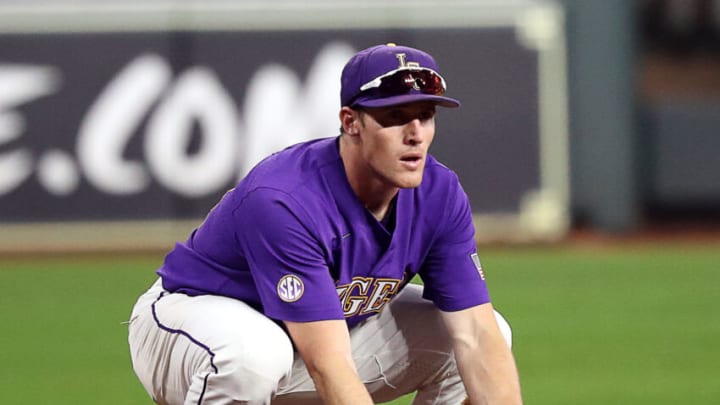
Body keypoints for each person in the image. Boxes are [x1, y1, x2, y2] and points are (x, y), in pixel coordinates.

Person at [127, 43, 523, 405]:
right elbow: (328, 364)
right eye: (394, 117)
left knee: (488, 336)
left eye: (425, 115)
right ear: (351, 122)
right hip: (190, 328)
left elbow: (477, 335)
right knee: (255, 355)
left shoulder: (439, 193)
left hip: (310, 340)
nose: (415, 134)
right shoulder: (285, 198)